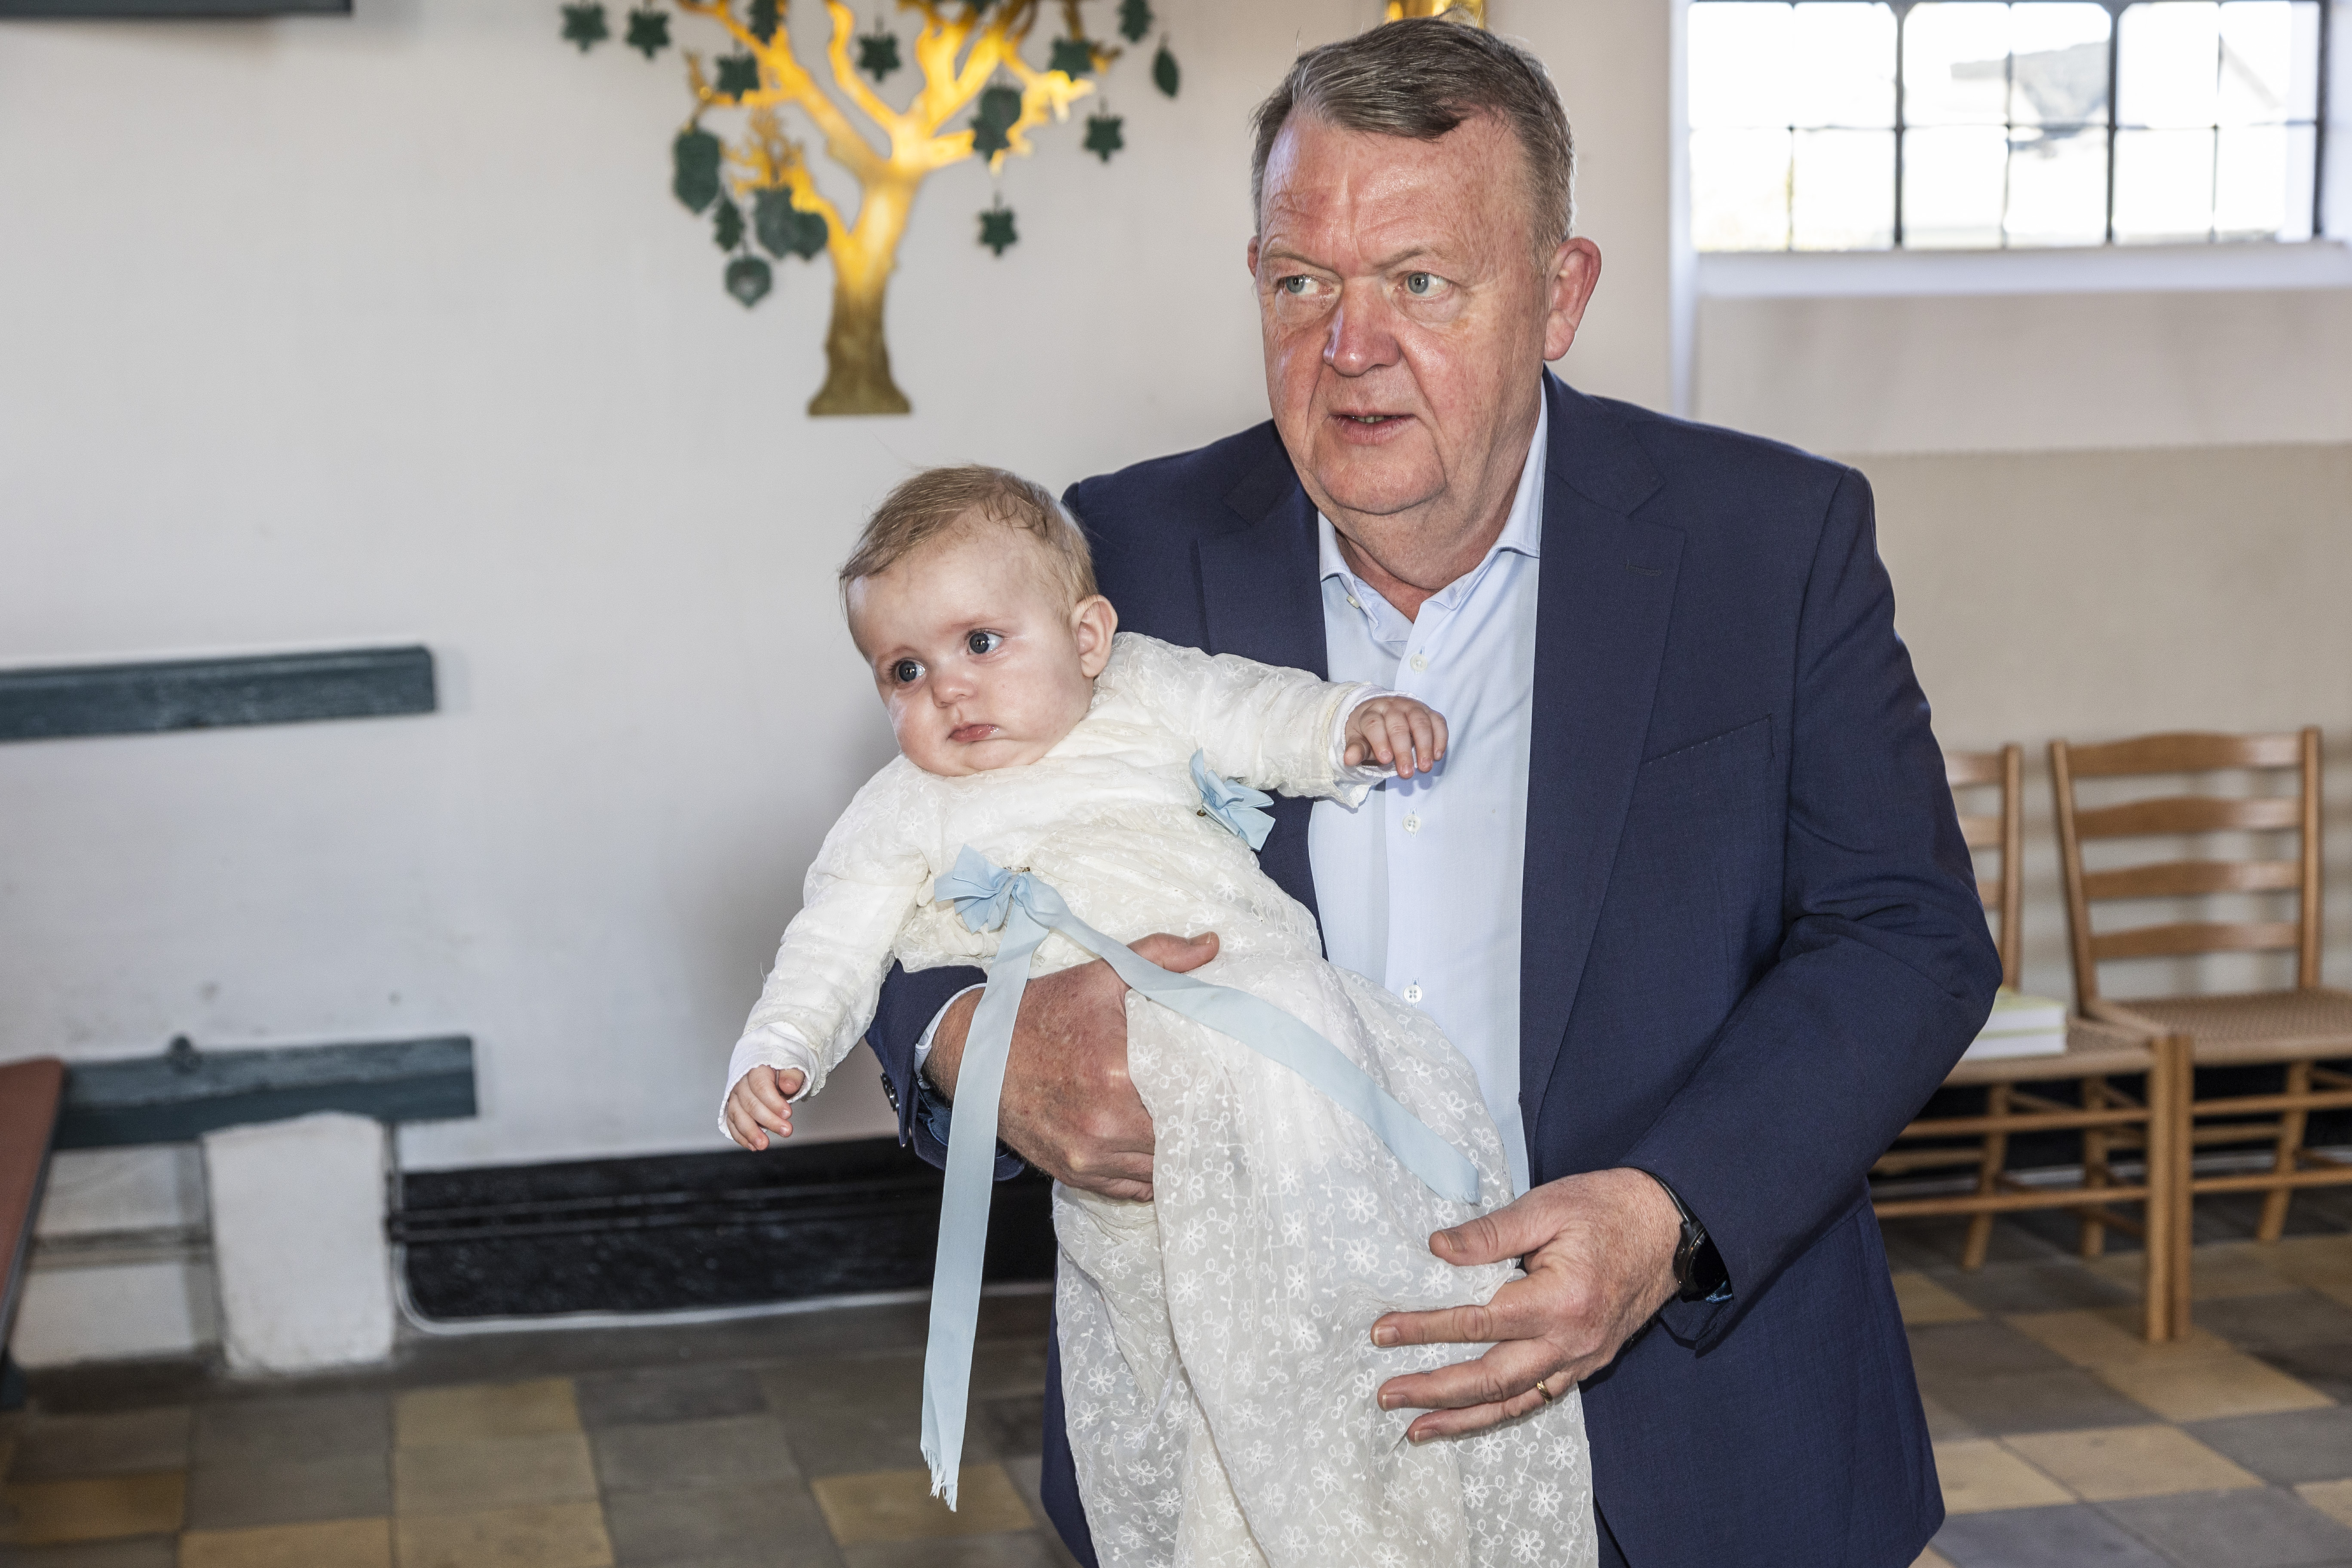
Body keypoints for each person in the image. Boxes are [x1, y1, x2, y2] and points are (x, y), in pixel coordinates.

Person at [870, 18, 2002, 1568]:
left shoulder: (1768, 544)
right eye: (1301, 282)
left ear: (1559, 294)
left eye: (1420, 280)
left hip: (1696, 1432)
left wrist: (1665, 1214)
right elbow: (917, 869)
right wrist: (975, 1047)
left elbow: (1904, 933)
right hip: (1246, 1444)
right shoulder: (1125, 556)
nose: (1351, 345)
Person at [723, 464, 1597, 1566]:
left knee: (1358, 1208)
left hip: (1270, 1019)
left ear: (1088, 636)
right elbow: (832, 940)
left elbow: (1252, 707)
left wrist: (1348, 722)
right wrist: (780, 1048)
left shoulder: (1142, 687)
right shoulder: (905, 807)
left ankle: (1374, 1453)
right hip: (1126, 1101)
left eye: (981, 643)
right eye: (906, 670)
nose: (948, 690)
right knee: (1168, 1336)